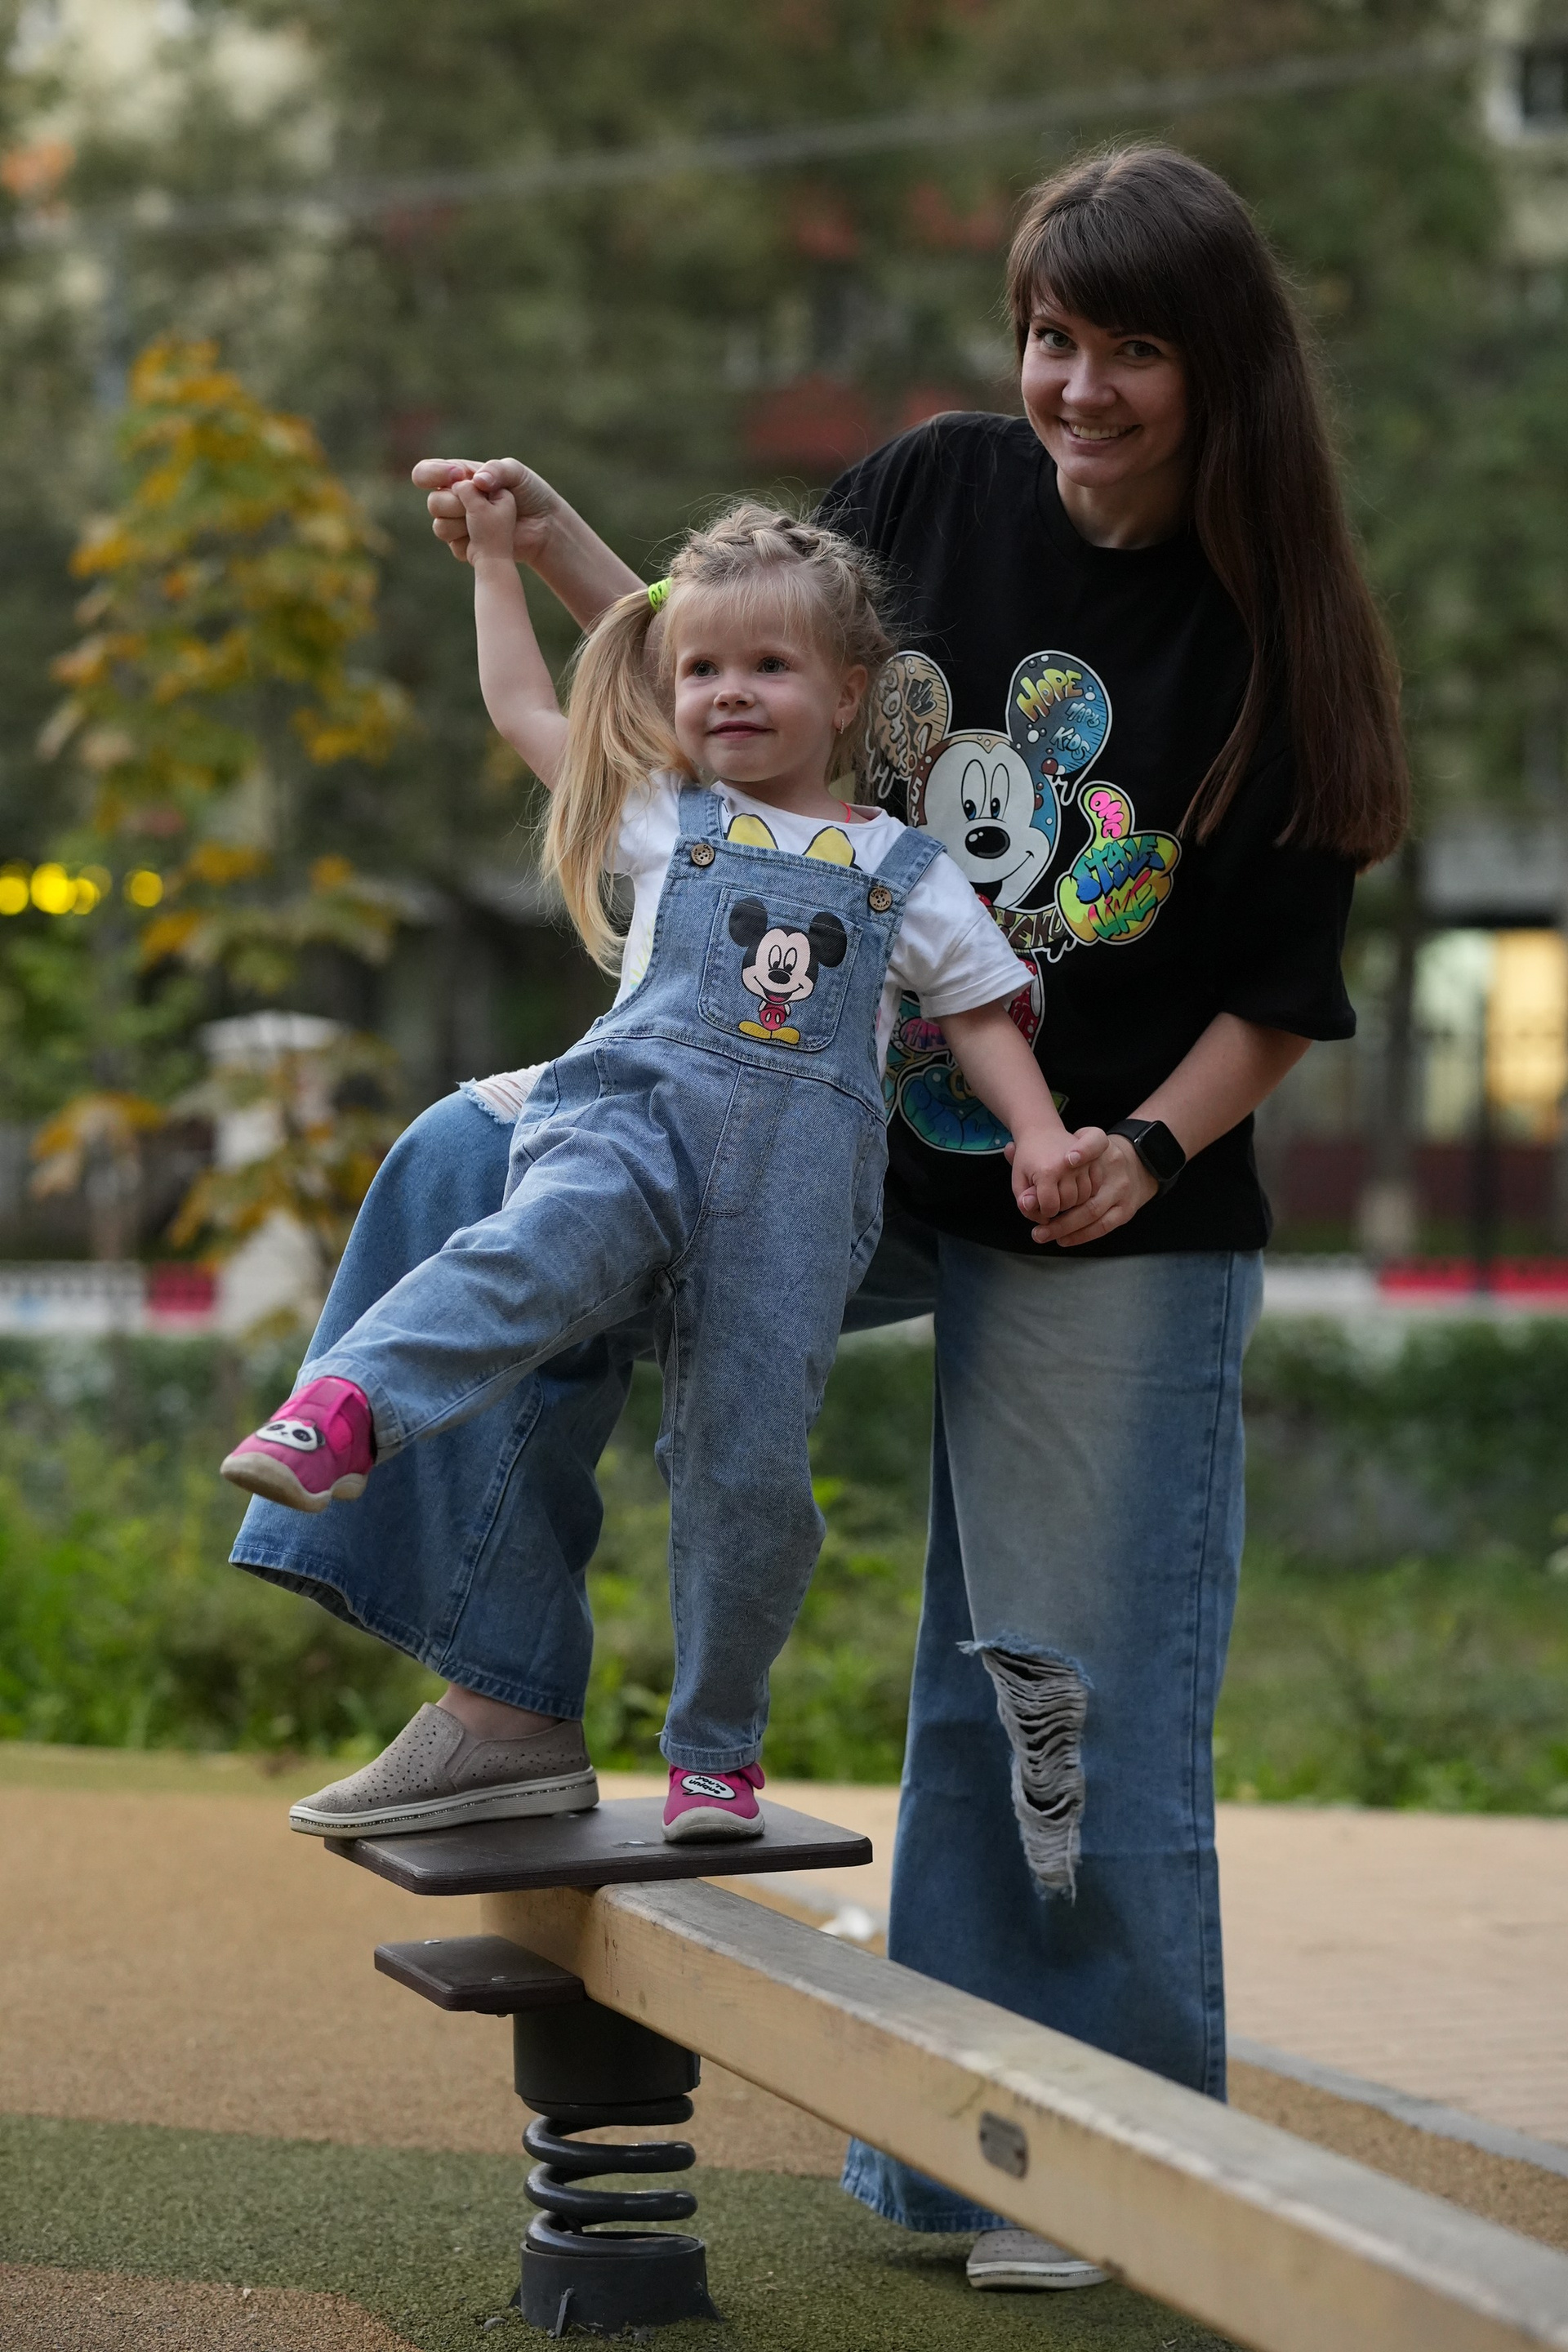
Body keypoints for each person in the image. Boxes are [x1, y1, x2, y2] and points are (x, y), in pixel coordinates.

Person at [230, 145, 1408, 2291]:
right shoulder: (942, 489)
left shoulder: (1280, 646)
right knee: (484, 1163)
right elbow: (726, 660)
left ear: (1222, 371)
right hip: (808, 1141)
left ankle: (1058, 2156)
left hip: (1097, 1194)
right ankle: (507, 1694)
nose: (1077, 388)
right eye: (1051, 337)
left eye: (1132, 351)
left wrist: (1130, 1151)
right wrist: (544, 542)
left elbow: (1274, 997)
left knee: (1041, 1685)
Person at [221, 497, 1097, 1846]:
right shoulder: (658, 816)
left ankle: (715, 1754)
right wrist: (498, 566)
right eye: (700, 668)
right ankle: (344, 1407)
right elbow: (525, 708)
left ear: (847, 691)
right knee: (523, 1253)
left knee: (748, 1476)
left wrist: (1039, 1136)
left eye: (768, 666)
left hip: (794, 1203)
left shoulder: (905, 871)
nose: (728, 692)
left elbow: (980, 1016)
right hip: (628, 1134)